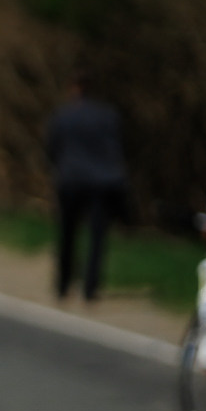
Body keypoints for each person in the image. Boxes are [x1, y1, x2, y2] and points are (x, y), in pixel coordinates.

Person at [43, 73, 126, 301]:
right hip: (102, 182)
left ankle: (62, 285)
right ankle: (91, 289)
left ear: (73, 89)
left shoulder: (63, 115)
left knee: (67, 234)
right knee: (97, 238)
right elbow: (117, 149)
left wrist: (59, 168)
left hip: (71, 180)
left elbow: (51, 148)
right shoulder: (108, 115)